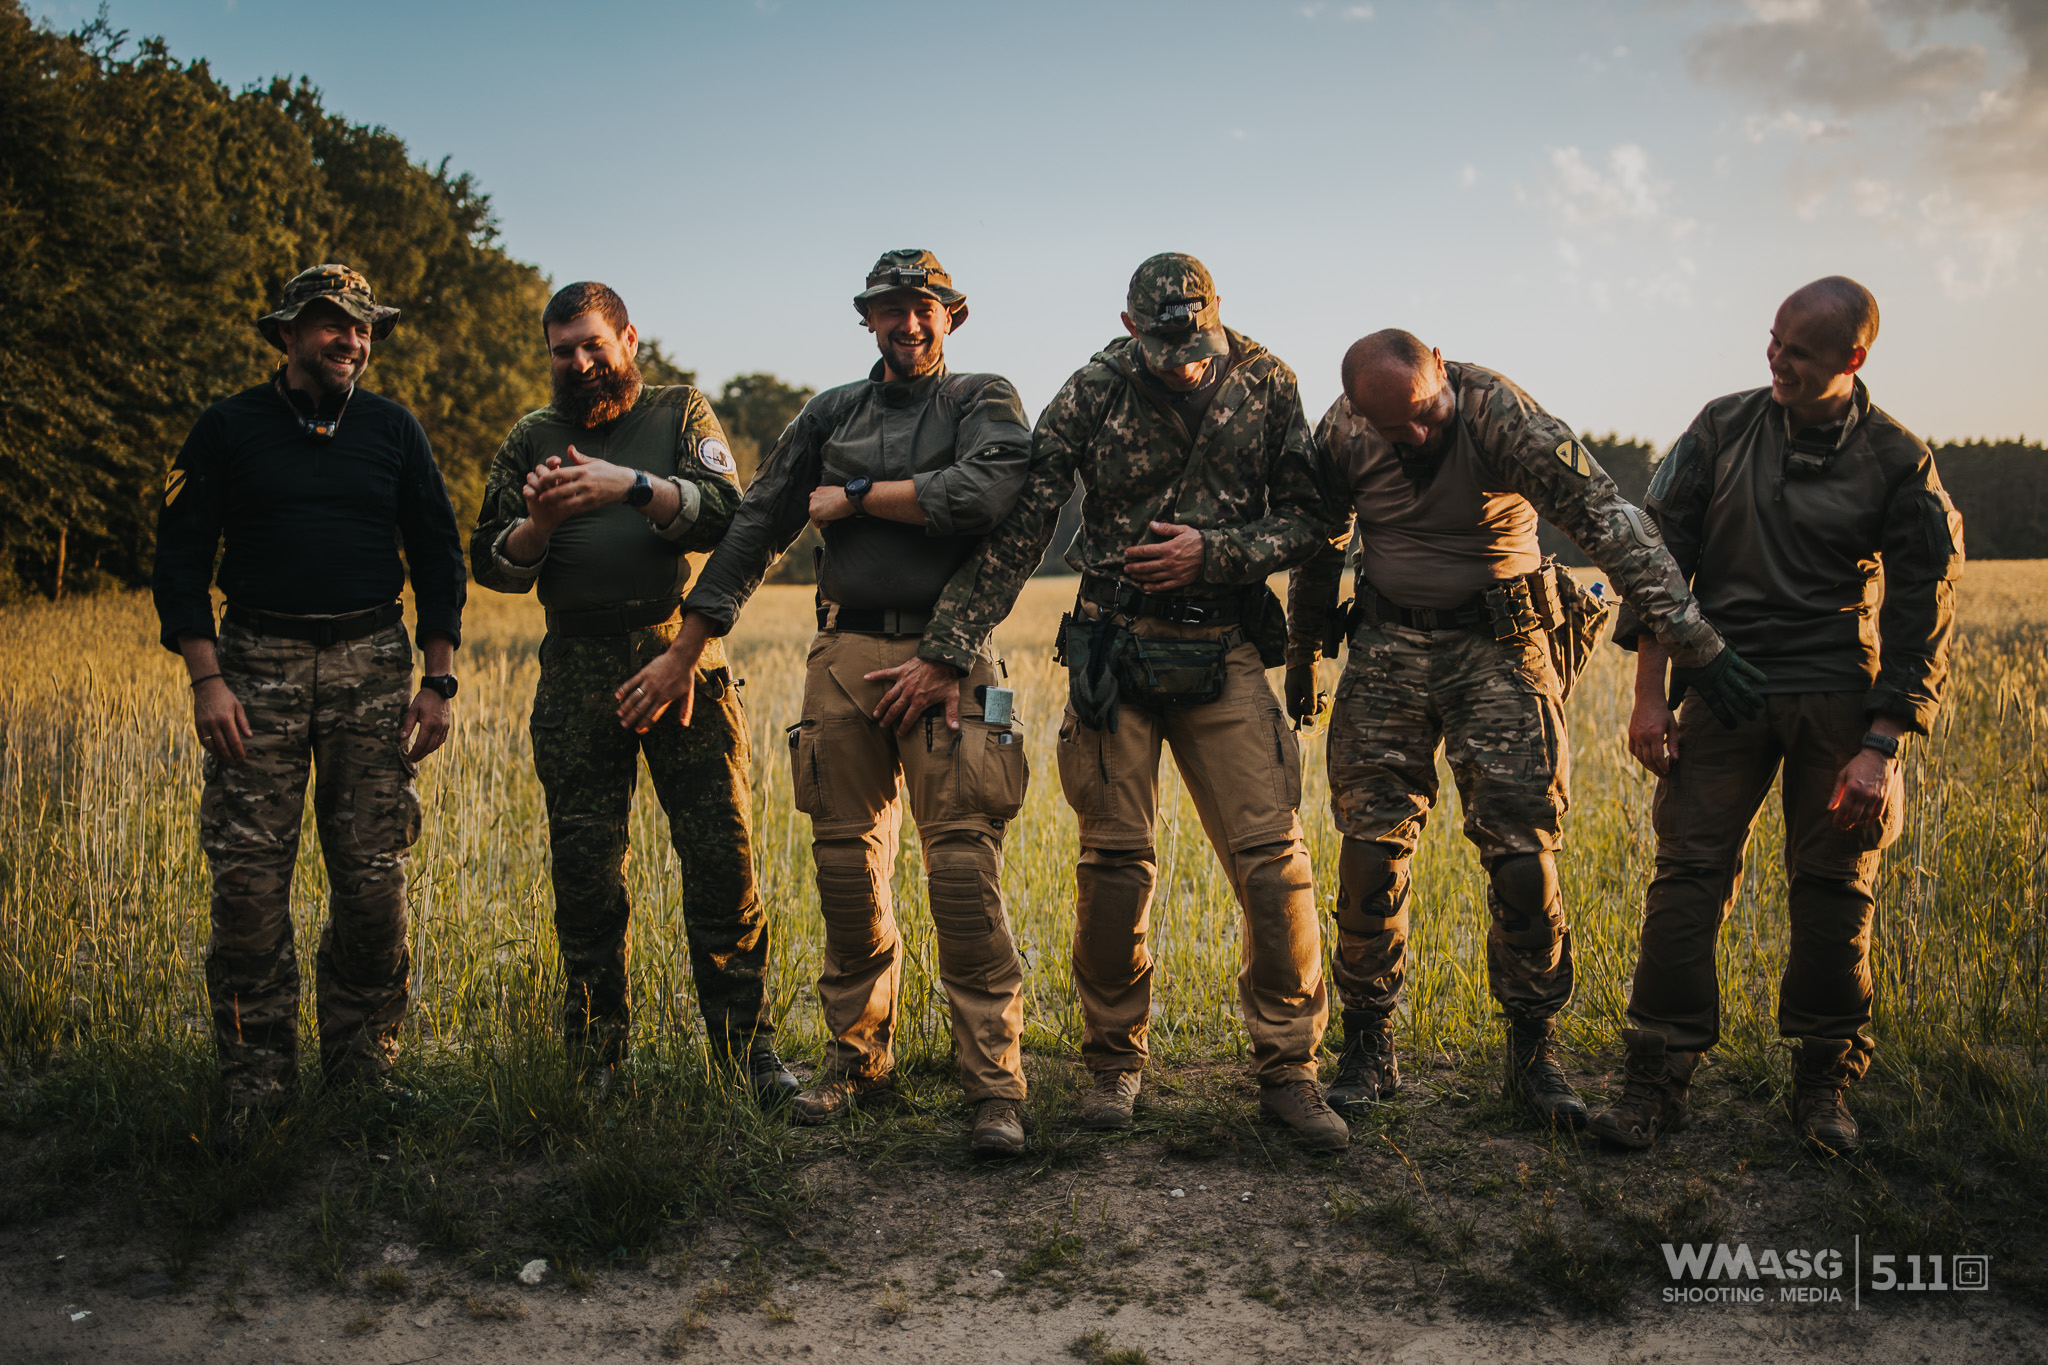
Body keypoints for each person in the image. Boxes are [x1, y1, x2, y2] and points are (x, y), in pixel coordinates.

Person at [924, 252, 1349, 1150]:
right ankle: (1113, 1063)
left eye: (1198, 341)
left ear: (1219, 315)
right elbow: (1023, 528)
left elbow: (1313, 519)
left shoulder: (1269, 381)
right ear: (1129, 329)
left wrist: (1217, 552)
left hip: (1224, 648)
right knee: (1116, 869)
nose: (1185, 359)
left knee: (1275, 864)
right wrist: (948, 647)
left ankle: (1290, 1067)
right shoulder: (1091, 390)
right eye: (1163, 344)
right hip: (1112, 653)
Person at [1286, 329, 1760, 1129]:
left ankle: (1535, 1051)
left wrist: (1695, 643)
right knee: (1368, 851)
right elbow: (1320, 538)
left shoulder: (1499, 416)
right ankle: (1368, 1045)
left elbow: (1607, 520)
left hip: (1499, 647)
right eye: (1397, 429)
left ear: (1441, 367)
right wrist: (1301, 650)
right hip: (1388, 645)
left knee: (1522, 858)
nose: (1419, 436)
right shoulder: (1343, 432)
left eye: (1426, 414)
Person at [626, 251, 1035, 1156]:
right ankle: (856, 1060)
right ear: (868, 320)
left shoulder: (984, 398)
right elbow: (757, 524)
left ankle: (995, 1088)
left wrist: (853, 499)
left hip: (962, 661)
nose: (907, 323)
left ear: (951, 316)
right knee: (847, 872)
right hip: (843, 651)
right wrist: (687, 645)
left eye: (922, 308)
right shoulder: (830, 413)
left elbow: (985, 495)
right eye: (889, 309)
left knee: (963, 875)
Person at [1591, 277, 1960, 1155]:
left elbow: (1921, 610)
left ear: (1853, 359)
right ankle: (1657, 1076)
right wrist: (1651, 694)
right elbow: (1658, 556)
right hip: (1723, 681)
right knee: (1687, 878)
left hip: (1839, 693)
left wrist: (1880, 748)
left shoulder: (1898, 459)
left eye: (1797, 350)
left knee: (1835, 886)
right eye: (1773, 339)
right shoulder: (1721, 426)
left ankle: (1824, 1083)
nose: (1776, 358)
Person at [152, 264, 466, 1148]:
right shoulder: (226, 429)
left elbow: (439, 558)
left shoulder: (393, 430)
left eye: (363, 329)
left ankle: (365, 1068)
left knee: (374, 884)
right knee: (248, 887)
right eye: (333, 325)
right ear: (287, 334)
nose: (352, 342)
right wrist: (207, 679)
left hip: (374, 661)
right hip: (257, 664)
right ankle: (256, 1084)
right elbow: (178, 561)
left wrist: (437, 681)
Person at [470, 281, 793, 1103]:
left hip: (677, 655)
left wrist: (631, 488)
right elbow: (487, 559)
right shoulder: (530, 436)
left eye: (591, 343)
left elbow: (730, 513)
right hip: (577, 665)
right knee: (587, 874)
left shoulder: (680, 412)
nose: (577, 361)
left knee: (722, 862)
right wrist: (538, 527)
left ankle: (745, 1055)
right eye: (560, 349)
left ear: (628, 339)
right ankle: (598, 1058)